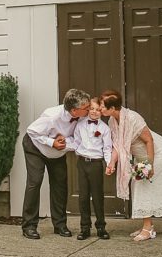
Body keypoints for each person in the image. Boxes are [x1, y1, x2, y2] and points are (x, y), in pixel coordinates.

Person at [100, 89, 162, 242]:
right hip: (140, 156)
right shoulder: (112, 120)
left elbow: (149, 140)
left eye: (103, 106)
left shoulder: (133, 118)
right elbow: (118, 145)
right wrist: (111, 163)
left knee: (144, 187)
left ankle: (148, 229)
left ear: (112, 108)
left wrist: (149, 165)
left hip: (156, 153)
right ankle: (147, 225)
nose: (100, 108)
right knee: (139, 187)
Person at [21, 88, 91, 240]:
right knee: (35, 182)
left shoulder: (83, 118)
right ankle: (29, 226)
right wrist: (52, 142)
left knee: (60, 185)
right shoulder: (51, 116)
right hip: (35, 148)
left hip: (58, 152)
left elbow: (78, 140)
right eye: (86, 108)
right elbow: (32, 131)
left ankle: (60, 225)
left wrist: (65, 143)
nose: (89, 110)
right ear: (74, 110)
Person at [65, 98, 113, 240]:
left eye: (98, 110)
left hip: (96, 164)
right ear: (88, 109)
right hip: (82, 163)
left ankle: (101, 227)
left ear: (101, 112)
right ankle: (84, 228)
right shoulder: (80, 125)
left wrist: (109, 164)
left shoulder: (104, 128)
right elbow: (76, 142)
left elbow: (107, 148)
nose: (94, 112)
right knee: (83, 196)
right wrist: (64, 144)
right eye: (92, 109)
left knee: (97, 196)